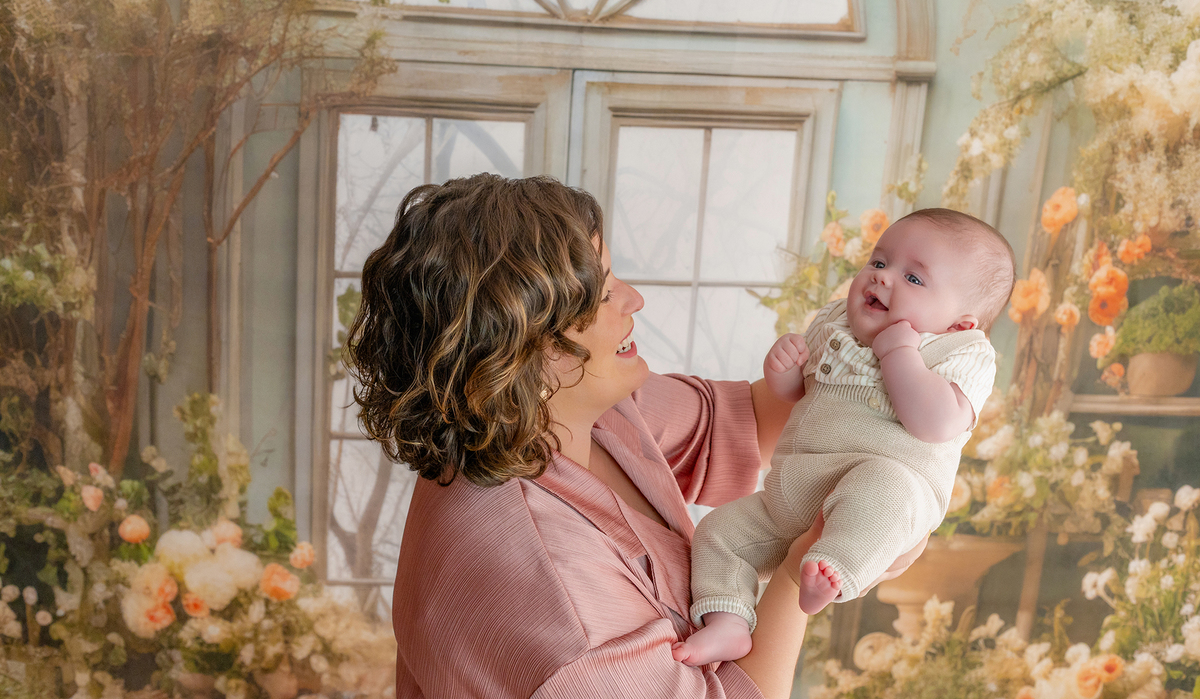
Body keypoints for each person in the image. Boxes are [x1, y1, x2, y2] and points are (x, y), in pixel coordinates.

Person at [344, 173, 927, 699]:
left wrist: (889, 357)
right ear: (517, 346)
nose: (634, 301)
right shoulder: (556, 600)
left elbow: (742, 419)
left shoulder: (573, 409)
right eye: (601, 294)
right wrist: (811, 559)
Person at [673, 208, 1015, 667]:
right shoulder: (835, 322)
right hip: (792, 493)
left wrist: (899, 353)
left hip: (887, 489)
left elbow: (934, 424)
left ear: (960, 323)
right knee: (717, 532)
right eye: (879, 263)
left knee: (883, 488)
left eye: (914, 279)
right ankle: (727, 622)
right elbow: (801, 395)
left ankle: (835, 568)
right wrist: (783, 373)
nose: (883, 279)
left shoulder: (962, 352)